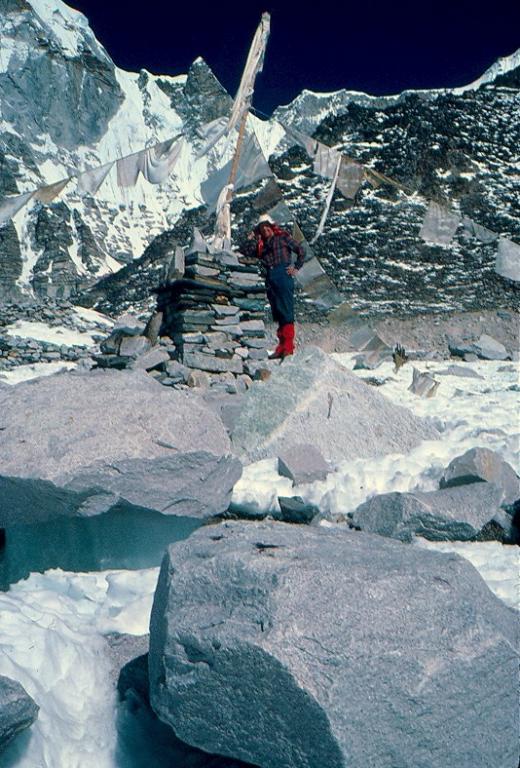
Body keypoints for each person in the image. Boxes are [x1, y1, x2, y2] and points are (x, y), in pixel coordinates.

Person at [243, 215, 305, 359]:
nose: (265, 230)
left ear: (272, 226)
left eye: (267, 227)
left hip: (283, 274)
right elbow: (246, 252)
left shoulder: (283, 237)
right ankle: (281, 346)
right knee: (277, 312)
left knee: (286, 310)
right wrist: (251, 238)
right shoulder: (260, 245)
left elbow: (301, 250)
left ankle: (288, 346)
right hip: (270, 278)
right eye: (262, 228)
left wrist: (296, 267)